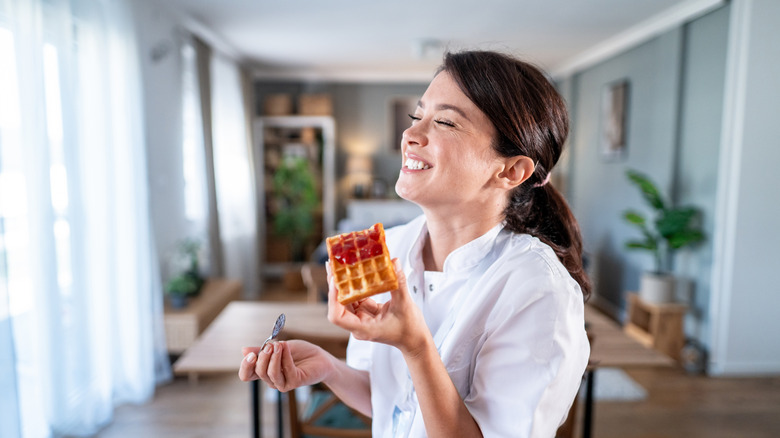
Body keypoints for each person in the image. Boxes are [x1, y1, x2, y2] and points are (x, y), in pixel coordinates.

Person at [239, 50, 591, 437]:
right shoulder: (383, 248)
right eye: (416, 116)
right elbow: (394, 406)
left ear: (510, 170)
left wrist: (415, 346)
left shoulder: (539, 291)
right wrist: (328, 368)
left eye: (444, 121)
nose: (410, 135)